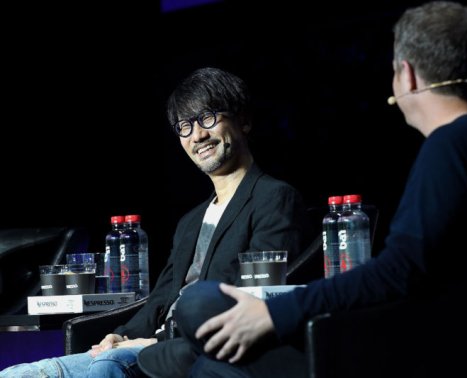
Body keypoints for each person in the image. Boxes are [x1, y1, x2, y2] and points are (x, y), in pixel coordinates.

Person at [173, 2, 467, 377]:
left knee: (202, 319)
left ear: (406, 75)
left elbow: (398, 271)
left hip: (425, 343)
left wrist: (275, 314)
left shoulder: (452, 145)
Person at [0, 67, 310, 378]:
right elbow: (161, 298)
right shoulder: (191, 220)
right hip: (154, 345)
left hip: (199, 349)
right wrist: (121, 335)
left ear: (243, 120)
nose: (198, 135)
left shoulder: (275, 197)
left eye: (208, 118)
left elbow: (255, 296)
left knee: (108, 366)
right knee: (16, 374)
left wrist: (156, 340)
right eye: (185, 126)